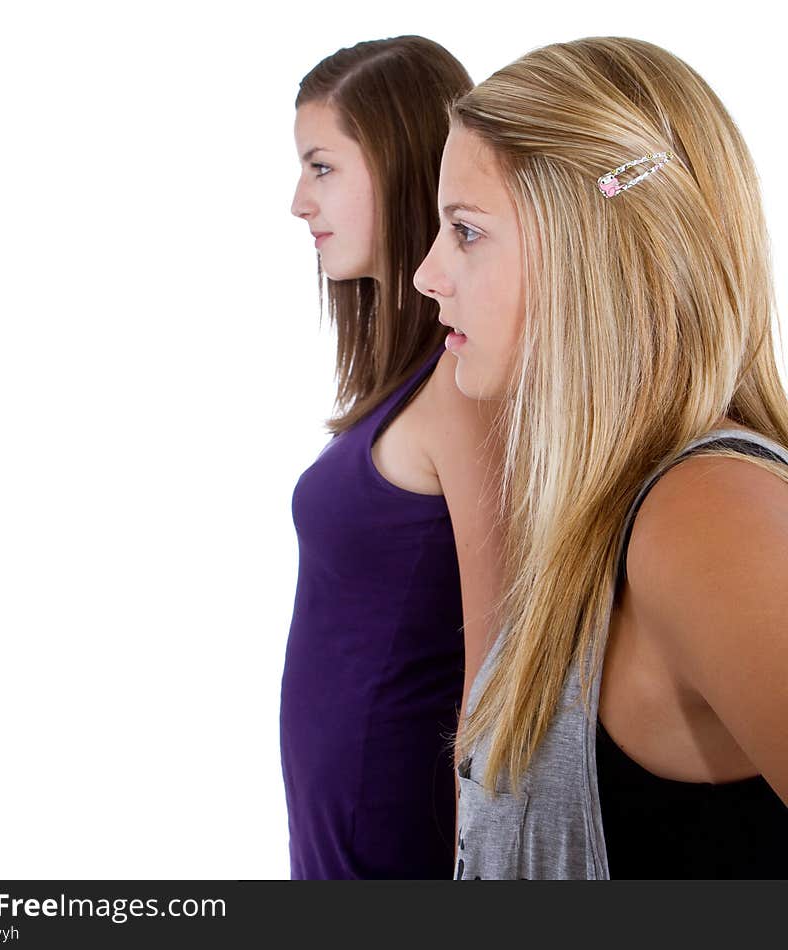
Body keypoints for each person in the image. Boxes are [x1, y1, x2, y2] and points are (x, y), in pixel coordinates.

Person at [413, 36, 788, 879]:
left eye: (466, 232)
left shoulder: (706, 515)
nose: (428, 274)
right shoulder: (613, 514)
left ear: (591, 249)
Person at [280, 36, 507, 879]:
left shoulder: (460, 383)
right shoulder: (414, 382)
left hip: (398, 845)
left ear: (401, 162)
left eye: (322, 167)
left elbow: (499, 670)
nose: (299, 201)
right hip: (344, 835)